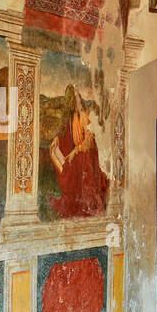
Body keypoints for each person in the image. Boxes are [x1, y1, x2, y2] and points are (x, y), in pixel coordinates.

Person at [48, 85, 109, 218]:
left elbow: (89, 140)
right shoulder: (71, 116)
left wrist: (75, 151)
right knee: (64, 161)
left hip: (88, 152)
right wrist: (56, 138)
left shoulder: (83, 114)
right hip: (79, 151)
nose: (77, 101)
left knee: (78, 163)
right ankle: (72, 197)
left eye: (77, 97)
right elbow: (64, 131)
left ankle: (84, 205)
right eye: (74, 98)